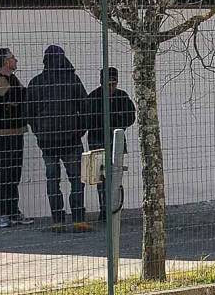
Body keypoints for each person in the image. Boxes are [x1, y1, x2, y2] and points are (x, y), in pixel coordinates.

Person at [28, 45, 91, 232]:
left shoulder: (36, 82)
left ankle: (57, 221)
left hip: (47, 142)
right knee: (77, 180)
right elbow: (85, 107)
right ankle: (78, 219)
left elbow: (29, 113)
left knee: (52, 181)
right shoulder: (72, 80)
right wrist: (80, 130)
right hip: (71, 141)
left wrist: (39, 133)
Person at [0, 48, 33, 228]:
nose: (16, 60)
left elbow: (21, 97)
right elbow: (14, 97)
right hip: (4, 133)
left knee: (14, 173)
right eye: (13, 58)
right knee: (3, 173)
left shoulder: (13, 79)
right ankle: (0, 213)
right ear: (6, 62)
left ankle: (13, 210)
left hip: (17, 131)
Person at [86, 67, 136, 220]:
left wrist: (115, 124)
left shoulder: (122, 96)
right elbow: (89, 120)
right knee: (101, 178)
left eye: (114, 84)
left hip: (115, 141)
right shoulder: (93, 97)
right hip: (98, 142)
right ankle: (104, 209)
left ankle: (113, 208)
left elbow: (130, 117)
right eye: (108, 84)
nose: (111, 87)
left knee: (115, 177)